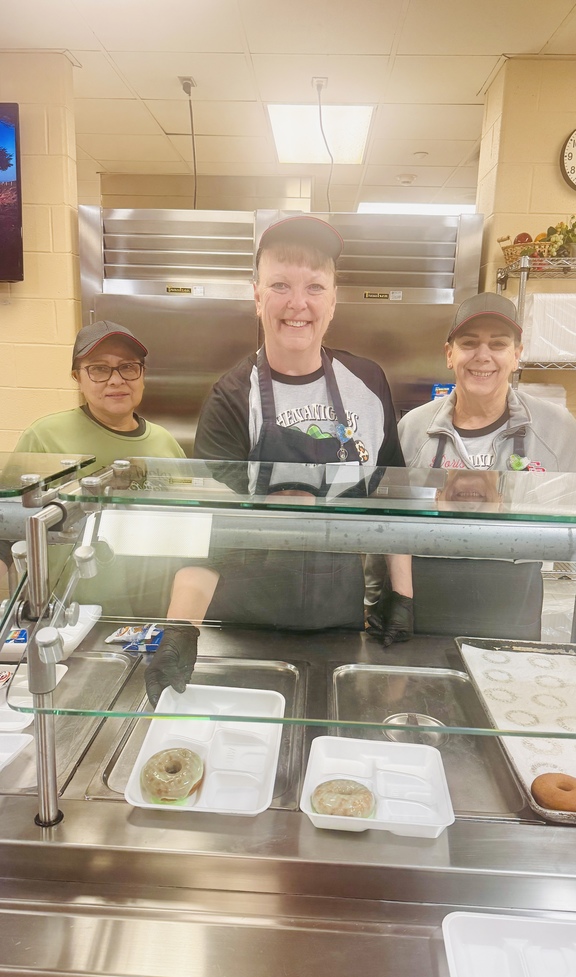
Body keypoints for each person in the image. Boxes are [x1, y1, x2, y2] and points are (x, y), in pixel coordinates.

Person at [144, 215, 413, 705]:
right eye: (280, 285)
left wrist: (401, 596)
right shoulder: (230, 396)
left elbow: (390, 495)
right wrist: (180, 629)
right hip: (248, 622)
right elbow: (210, 529)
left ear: (333, 299)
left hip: (340, 615)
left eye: (314, 286)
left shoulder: (369, 384)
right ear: (257, 297)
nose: (297, 303)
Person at [396, 291, 576, 639]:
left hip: (512, 609)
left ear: (516, 355)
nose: (483, 356)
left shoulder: (559, 430)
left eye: (498, 344)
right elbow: (384, 528)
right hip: (426, 604)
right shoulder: (412, 430)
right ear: (450, 354)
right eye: (469, 343)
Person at [14, 320, 185, 467]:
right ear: (78, 378)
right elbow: (10, 504)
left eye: (127, 367)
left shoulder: (164, 442)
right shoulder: (45, 439)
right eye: (99, 369)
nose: (116, 381)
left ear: (143, 375)